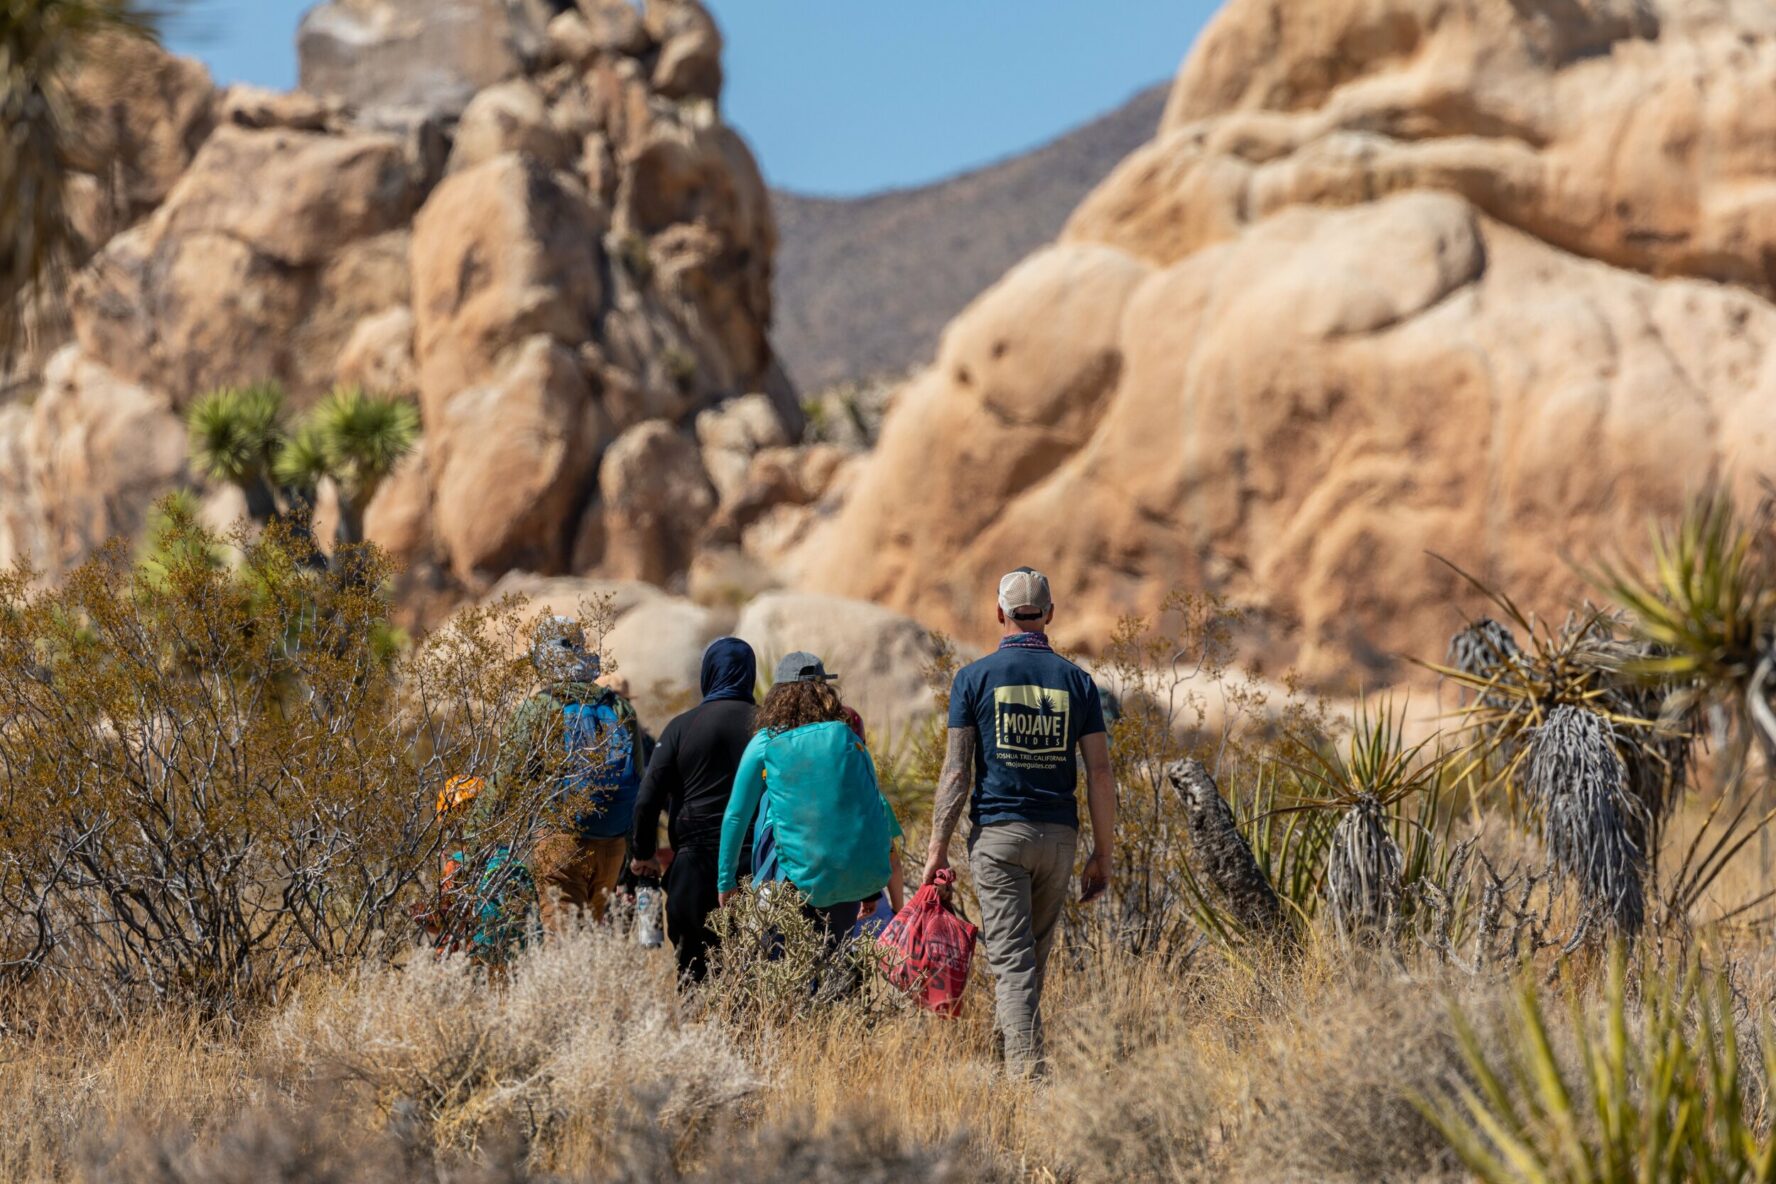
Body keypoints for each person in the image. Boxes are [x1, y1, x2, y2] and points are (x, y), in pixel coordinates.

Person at [923, 567, 1116, 1078]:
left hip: (1000, 838)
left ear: (1000, 613)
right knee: (1029, 961)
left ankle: (1027, 1087)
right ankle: (1010, 1062)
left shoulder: (973, 677)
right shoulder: (1078, 682)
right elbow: (1099, 771)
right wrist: (1103, 852)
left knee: (1012, 964)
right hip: (1058, 838)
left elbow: (957, 769)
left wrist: (937, 847)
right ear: (1050, 615)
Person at [717, 653, 902, 958]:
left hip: (786, 876)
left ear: (778, 694)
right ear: (824, 692)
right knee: (830, 966)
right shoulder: (844, 738)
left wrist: (726, 881)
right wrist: (868, 886)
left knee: (779, 971)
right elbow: (864, 813)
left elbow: (737, 815)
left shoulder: (767, 741)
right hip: (842, 877)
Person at [485, 615, 644, 937]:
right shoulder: (620, 708)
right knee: (589, 938)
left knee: (564, 947)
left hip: (561, 840)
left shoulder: (540, 708)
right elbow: (639, 779)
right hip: (612, 844)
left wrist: (474, 841)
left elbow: (502, 782)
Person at [630, 637, 760, 982]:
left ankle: (697, 1035)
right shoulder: (769, 728)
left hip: (694, 870)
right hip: (757, 867)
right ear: (749, 674)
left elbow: (647, 800)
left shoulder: (681, 728)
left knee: (693, 974)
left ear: (709, 673)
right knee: (752, 974)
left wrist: (643, 853)